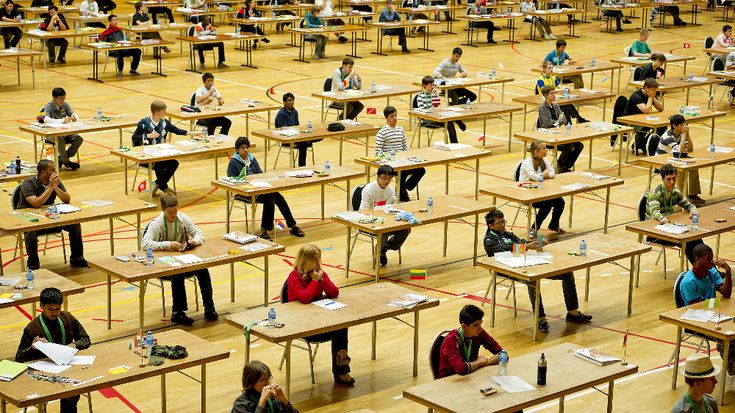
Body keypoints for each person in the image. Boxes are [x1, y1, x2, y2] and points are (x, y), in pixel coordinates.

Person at [483, 210, 590, 332]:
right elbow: (504, 251)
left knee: (566, 274)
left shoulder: (507, 234)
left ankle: (573, 313)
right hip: (506, 269)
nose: (502, 225)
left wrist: (536, 243)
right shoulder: (489, 240)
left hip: (524, 264)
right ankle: (540, 319)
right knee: (532, 280)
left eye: (503, 222)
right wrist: (526, 247)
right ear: (490, 226)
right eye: (499, 223)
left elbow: (521, 243)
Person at [142, 193, 218, 325]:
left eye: (176, 210)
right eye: (170, 212)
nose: (173, 214)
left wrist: (194, 241)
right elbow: (145, 243)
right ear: (163, 210)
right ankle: (178, 312)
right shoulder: (157, 223)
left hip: (181, 259)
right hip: (163, 263)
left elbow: (199, 234)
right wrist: (167, 245)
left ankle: (209, 307)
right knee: (177, 271)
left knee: (202, 268)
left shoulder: (182, 218)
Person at [286, 244, 354, 385]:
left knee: (341, 326)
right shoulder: (294, 277)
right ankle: (341, 371)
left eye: (319, 258)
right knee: (338, 330)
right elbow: (305, 298)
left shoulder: (318, 273)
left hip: (319, 319)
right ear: (305, 260)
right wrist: (316, 282)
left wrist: (322, 280)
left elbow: (334, 292)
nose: (319, 262)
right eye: (315, 259)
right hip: (303, 325)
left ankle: (341, 370)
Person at [16, 287, 90, 413]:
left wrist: (74, 345)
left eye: (58, 308)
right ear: (41, 306)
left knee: (71, 394)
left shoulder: (68, 318)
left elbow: (86, 339)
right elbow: (19, 358)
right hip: (44, 371)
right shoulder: (32, 328)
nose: (55, 312)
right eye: (50, 309)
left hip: (67, 368)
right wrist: (32, 348)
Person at [226, 137, 305, 239]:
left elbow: (260, 174)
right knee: (270, 197)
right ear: (237, 149)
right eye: (243, 148)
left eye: (247, 147)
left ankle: (292, 226)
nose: (246, 150)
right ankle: (264, 230)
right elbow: (233, 182)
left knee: (278, 197)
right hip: (243, 193)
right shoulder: (233, 162)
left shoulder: (252, 159)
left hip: (258, 189)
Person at [16, 160, 87, 270]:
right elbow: (36, 203)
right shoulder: (28, 183)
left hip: (48, 216)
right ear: (43, 172)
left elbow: (67, 199)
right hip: (29, 217)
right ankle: (33, 263)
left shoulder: (55, 181)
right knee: (31, 231)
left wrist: (55, 187)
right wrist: (50, 187)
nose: (55, 172)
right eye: (52, 170)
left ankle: (77, 258)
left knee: (75, 225)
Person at [676, 243, 733, 376]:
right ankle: (731, 366)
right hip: (697, 320)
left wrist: (728, 271)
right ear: (697, 259)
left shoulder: (712, 272)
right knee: (728, 336)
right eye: (709, 258)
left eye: (712, 258)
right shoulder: (689, 282)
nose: (712, 261)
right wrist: (719, 304)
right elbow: (699, 307)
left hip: (714, 315)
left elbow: (726, 293)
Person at [132, 100, 204, 195]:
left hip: (161, 153)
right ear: (157, 112)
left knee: (174, 163)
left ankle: (159, 183)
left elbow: (177, 130)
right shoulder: (144, 122)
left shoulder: (164, 122)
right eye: (164, 111)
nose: (166, 113)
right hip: (146, 156)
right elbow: (134, 138)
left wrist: (194, 133)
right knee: (160, 164)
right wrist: (148, 136)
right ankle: (163, 186)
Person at [646, 164, 703, 265]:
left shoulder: (675, 192)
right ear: (663, 179)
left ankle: (710, 271)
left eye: (674, 179)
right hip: (655, 232)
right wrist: (661, 218)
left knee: (696, 238)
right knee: (688, 242)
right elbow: (654, 212)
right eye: (668, 179)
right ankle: (701, 272)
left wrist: (693, 211)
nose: (672, 182)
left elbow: (689, 205)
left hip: (670, 228)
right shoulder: (655, 193)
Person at [359, 165, 410, 265]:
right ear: (378, 177)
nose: (386, 181)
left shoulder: (390, 190)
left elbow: (393, 207)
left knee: (406, 229)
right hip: (370, 220)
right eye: (384, 178)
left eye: (389, 179)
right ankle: (382, 249)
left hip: (386, 219)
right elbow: (363, 211)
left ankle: (383, 249)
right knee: (384, 229)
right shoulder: (369, 189)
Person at [437, 304, 503, 378]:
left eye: (480, 324)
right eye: (476, 325)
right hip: (449, 381)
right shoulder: (451, 340)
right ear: (464, 326)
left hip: (470, 375)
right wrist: (479, 362)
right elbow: (461, 369)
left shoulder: (479, 333)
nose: (480, 328)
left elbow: (503, 354)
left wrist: (484, 363)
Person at [374, 106, 424, 202]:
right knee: (403, 171)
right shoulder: (382, 133)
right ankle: (402, 192)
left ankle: (404, 187)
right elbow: (378, 152)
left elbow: (406, 147)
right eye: (392, 116)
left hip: (403, 160)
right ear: (386, 118)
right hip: (391, 163)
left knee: (421, 170)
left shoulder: (400, 130)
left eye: (396, 115)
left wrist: (407, 156)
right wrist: (388, 158)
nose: (395, 118)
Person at [520, 140, 566, 236]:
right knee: (547, 205)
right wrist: (545, 173)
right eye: (544, 149)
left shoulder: (544, 160)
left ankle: (553, 224)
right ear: (536, 151)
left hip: (541, 191)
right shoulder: (526, 163)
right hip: (527, 194)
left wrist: (545, 175)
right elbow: (536, 177)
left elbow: (553, 173)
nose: (546, 151)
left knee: (560, 202)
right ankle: (534, 228)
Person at [656, 115, 704, 205]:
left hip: (674, 160)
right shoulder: (668, 136)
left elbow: (690, 149)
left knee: (693, 168)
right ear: (674, 125)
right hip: (662, 162)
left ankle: (693, 195)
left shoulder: (681, 134)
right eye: (681, 124)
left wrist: (688, 135)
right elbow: (680, 150)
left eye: (684, 123)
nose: (684, 126)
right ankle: (679, 198)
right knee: (680, 171)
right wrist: (684, 135)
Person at [538, 86, 583, 173]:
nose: (554, 95)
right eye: (552, 94)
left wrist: (557, 122)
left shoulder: (555, 105)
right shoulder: (542, 108)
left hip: (558, 133)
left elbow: (565, 119)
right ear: (545, 95)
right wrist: (558, 121)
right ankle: (560, 166)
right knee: (568, 146)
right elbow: (547, 123)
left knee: (579, 145)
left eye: (554, 93)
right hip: (547, 136)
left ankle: (565, 165)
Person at [232, 361, 299, 413]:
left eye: (268, 378)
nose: (267, 383)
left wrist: (285, 401)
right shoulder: (240, 404)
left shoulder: (273, 397)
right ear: (251, 382)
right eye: (262, 380)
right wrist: (262, 401)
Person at [42, 87, 83, 170]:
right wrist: (62, 120)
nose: (62, 100)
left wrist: (75, 117)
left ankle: (61, 159)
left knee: (78, 139)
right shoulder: (48, 107)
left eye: (64, 98)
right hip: (52, 135)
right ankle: (67, 163)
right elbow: (45, 120)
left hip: (64, 132)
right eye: (60, 98)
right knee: (60, 141)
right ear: (54, 98)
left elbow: (72, 113)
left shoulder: (65, 105)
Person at [274, 92, 319, 167]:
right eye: (289, 100)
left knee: (318, 137)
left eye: (292, 100)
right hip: (286, 138)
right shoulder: (281, 114)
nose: (291, 102)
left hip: (296, 135)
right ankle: (302, 166)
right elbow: (281, 129)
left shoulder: (295, 112)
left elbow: (297, 126)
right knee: (303, 144)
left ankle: (310, 139)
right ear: (284, 102)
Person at [416, 75, 459, 143]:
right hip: (427, 120)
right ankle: (458, 122)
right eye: (430, 85)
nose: (432, 87)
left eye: (433, 85)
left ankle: (454, 144)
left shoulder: (434, 95)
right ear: (425, 85)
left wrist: (436, 96)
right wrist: (433, 110)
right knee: (449, 122)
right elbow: (423, 110)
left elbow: (437, 107)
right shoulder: (420, 96)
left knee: (449, 122)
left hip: (435, 117)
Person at [624, 77, 665, 149]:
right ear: (646, 88)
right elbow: (646, 110)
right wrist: (651, 97)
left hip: (642, 119)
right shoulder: (636, 96)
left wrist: (653, 97)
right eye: (653, 90)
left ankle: (646, 143)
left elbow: (661, 108)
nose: (654, 92)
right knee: (644, 127)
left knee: (662, 126)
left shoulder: (650, 95)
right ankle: (637, 145)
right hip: (630, 120)